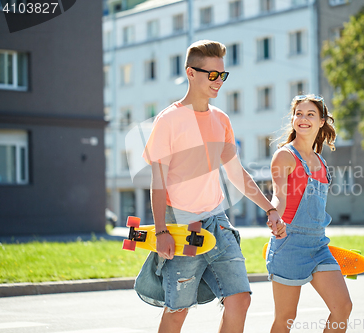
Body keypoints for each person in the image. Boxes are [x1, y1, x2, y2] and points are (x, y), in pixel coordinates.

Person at [135, 40, 286, 333]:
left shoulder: (221, 120)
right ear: (191, 73)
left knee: (240, 299)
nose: (219, 82)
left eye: (222, 75)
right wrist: (162, 230)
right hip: (181, 226)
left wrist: (270, 208)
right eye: (212, 75)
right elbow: (158, 182)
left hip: (218, 223)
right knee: (177, 310)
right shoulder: (169, 120)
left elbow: (237, 174)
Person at [266, 94, 352, 332]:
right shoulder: (285, 155)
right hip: (289, 243)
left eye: (310, 114)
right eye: (299, 114)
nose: (303, 119)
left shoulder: (320, 162)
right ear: (293, 119)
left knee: (342, 307)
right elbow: (279, 195)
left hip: (318, 245)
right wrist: (275, 215)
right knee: (285, 319)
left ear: (322, 121)